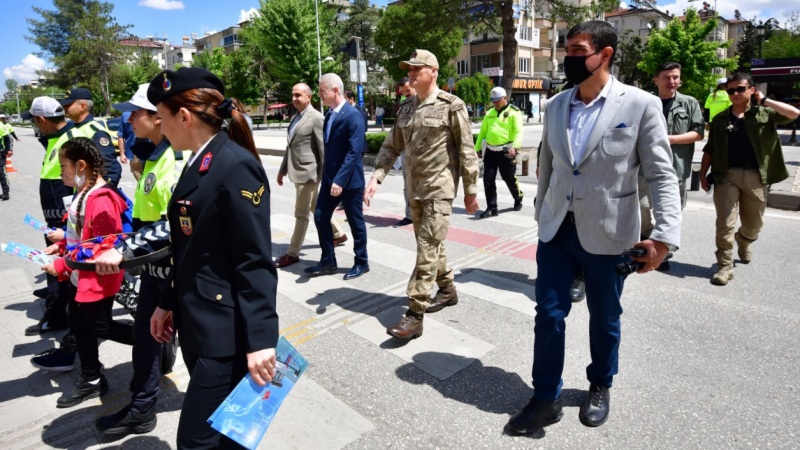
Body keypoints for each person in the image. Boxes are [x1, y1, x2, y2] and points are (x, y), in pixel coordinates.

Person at [507, 21, 681, 433]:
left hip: (609, 231)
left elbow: (660, 175)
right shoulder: (555, 105)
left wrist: (664, 238)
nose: (569, 58)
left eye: (577, 50)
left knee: (605, 318)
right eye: (566, 50)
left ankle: (600, 383)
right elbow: (549, 167)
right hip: (557, 232)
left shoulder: (638, 105)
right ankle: (545, 396)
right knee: (548, 315)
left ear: (605, 55)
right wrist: (541, 212)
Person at [95, 67, 279, 449]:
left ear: (184, 116)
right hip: (195, 321)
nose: (159, 126)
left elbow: (253, 261)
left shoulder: (234, 165)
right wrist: (166, 303)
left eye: (161, 117)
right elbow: (190, 248)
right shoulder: (198, 161)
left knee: (195, 440)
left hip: (225, 332)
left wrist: (262, 340)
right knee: (228, 432)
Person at [365, 49, 480, 340]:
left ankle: (414, 314)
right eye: (410, 69)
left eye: (418, 69)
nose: (412, 74)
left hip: (439, 191)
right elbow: (392, 146)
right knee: (431, 245)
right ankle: (448, 289)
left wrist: (471, 190)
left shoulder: (451, 105)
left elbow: (467, 149)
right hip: (413, 191)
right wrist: (376, 177)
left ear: (434, 72)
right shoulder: (405, 108)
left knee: (426, 249)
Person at [93, 84, 186, 435]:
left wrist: (125, 250)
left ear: (158, 117)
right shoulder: (156, 154)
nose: (128, 119)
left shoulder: (174, 160)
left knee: (206, 345)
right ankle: (142, 407)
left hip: (174, 271)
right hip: (153, 266)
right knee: (146, 335)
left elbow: (172, 225)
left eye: (135, 113)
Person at [41, 137, 135, 408]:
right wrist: (61, 245)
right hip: (79, 276)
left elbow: (101, 248)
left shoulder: (101, 199)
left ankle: (153, 339)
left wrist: (61, 264)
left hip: (97, 278)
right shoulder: (85, 193)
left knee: (100, 325)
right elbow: (83, 236)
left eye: (63, 166)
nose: (60, 173)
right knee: (80, 324)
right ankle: (92, 378)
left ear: (81, 165)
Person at [700, 72, 799, 286]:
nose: (735, 93)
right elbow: (710, 148)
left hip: (756, 176)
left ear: (751, 90)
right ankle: (724, 266)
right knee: (725, 223)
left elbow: (793, 113)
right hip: (727, 175)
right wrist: (702, 174)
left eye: (740, 89)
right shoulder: (720, 119)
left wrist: (764, 100)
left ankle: (744, 241)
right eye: (731, 90)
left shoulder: (764, 113)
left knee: (754, 223)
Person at [639, 62, 704, 272]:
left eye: (675, 77)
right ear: (656, 80)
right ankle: (648, 238)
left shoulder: (689, 103)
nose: (672, 81)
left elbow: (698, 133)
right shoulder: (645, 102)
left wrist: (669, 139)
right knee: (641, 208)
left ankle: (663, 249)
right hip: (644, 168)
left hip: (676, 168)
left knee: (668, 211)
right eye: (666, 77)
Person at [274, 83, 348, 268]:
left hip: (309, 174)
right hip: (297, 171)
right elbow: (290, 147)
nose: (294, 98)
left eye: (298, 95)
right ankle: (338, 234)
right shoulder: (296, 117)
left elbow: (324, 150)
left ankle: (292, 253)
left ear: (309, 97)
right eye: (293, 95)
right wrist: (283, 169)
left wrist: (328, 176)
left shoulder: (316, 118)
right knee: (315, 207)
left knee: (301, 214)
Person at [305, 74, 369, 280]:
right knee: (320, 216)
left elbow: (354, 152)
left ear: (335, 91)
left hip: (349, 182)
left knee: (355, 222)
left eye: (322, 91)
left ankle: (362, 261)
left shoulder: (353, 116)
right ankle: (328, 260)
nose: (319, 95)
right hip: (329, 180)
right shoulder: (330, 115)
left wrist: (340, 179)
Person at [21, 97, 73, 342]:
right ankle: (58, 309)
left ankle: (56, 317)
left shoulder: (68, 140)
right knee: (57, 269)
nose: (35, 126)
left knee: (61, 267)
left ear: (42, 120)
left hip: (65, 222)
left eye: (34, 121)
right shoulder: (55, 139)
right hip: (56, 220)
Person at [475, 86, 524, 218]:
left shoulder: (514, 112)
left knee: (509, 177)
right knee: (488, 179)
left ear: (505, 98)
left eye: (497, 100)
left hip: (506, 151)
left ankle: (518, 196)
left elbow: (518, 132)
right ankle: (492, 208)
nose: (495, 103)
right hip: (490, 151)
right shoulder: (489, 112)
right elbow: (483, 132)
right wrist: (477, 147)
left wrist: (515, 146)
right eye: (493, 101)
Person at [59, 88, 122, 186]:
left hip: (92, 193)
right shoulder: (74, 129)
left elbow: (110, 167)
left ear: (83, 106)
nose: (64, 108)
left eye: (68, 104)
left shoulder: (95, 131)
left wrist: (104, 191)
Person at [392, 77, 415, 228]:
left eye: (408, 90)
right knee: (408, 186)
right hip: (406, 152)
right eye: (403, 91)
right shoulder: (404, 106)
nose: (405, 93)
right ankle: (410, 215)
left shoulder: (425, 102)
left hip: (423, 154)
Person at [118, 110, 144, 181]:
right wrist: (122, 154)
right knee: (140, 181)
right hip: (134, 154)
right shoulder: (125, 115)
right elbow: (120, 135)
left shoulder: (149, 111)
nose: (130, 120)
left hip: (151, 151)